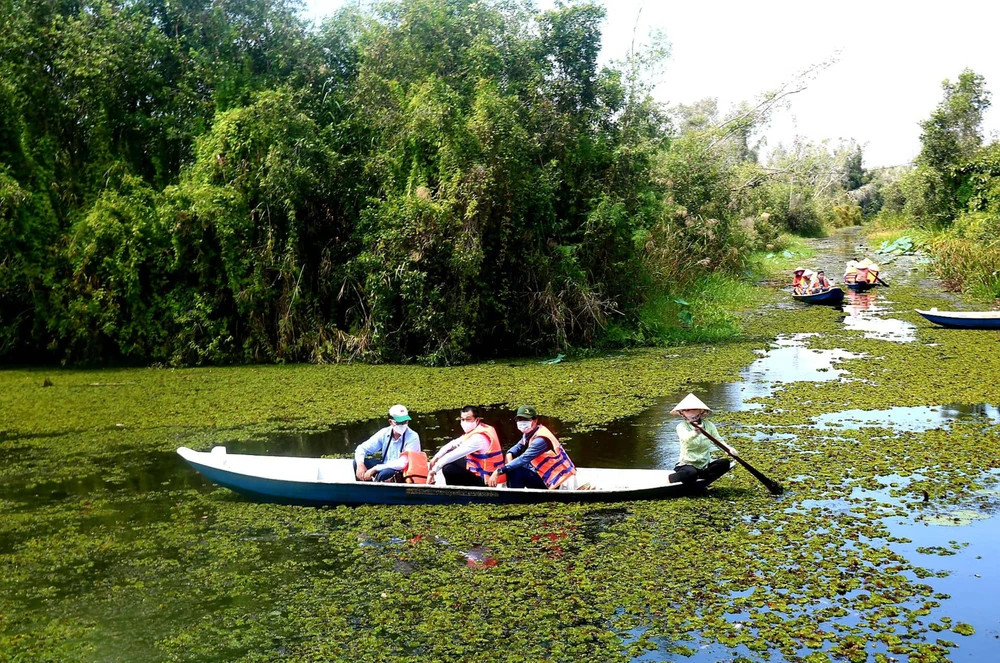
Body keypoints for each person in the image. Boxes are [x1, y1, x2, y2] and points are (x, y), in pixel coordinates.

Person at [486, 406, 577, 490]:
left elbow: (524, 459)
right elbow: (517, 447)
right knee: (513, 466)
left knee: (516, 470)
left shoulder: (541, 439)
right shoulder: (529, 433)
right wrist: (509, 454)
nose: (522, 422)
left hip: (554, 481)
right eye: (520, 419)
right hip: (544, 475)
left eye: (526, 419)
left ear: (535, 421)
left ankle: (514, 499)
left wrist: (499, 471)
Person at [427, 406, 503, 487]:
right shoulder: (477, 430)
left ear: (477, 420)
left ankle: (456, 495)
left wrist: (434, 470)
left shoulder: (478, 438)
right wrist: (436, 457)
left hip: (485, 481)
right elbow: (453, 444)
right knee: (449, 457)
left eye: (468, 419)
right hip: (478, 472)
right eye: (462, 419)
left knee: (448, 468)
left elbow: (455, 453)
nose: (464, 422)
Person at [668, 394, 733, 486]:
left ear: (700, 411)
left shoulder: (709, 425)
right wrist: (695, 433)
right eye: (686, 410)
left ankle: (701, 475)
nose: (690, 413)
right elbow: (685, 438)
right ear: (682, 413)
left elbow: (718, 441)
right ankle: (672, 478)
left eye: (693, 409)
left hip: (704, 465)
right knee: (691, 473)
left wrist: (728, 449)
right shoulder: (681, 426)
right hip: (687, 464)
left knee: (725, 463)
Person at [353, 404, 422, 483]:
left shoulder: (413, 437)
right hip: (385, 465)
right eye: (399, 422)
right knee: (357, 462)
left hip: (404, 471)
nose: (403, 425)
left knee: (384, 474)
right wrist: (360, 464)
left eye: (405, 422)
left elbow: (402, 463)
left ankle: (378, 492)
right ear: (390, 422)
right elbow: (361, 448)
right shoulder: (384, 433)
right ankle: (365, 490)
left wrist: (375, 468)